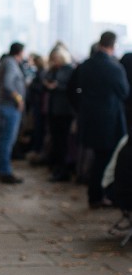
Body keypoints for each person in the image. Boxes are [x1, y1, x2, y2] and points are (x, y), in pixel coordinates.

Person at [75, 31, 129, 208]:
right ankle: (97, 195)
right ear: (113, 46)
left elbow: (73, 90)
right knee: (104, 160)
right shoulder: (114, 68)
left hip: (89, 118)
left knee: (98, 157)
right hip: (109, 120)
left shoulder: (85, 65)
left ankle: (95, 194)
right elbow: (124, 92)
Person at [0, 42, 26, 184]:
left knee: (3, 140)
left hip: (4, 106)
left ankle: (2, 170)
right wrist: (18, 98)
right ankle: (5, 172)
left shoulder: (6, 62)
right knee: (6, 140)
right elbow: (8, 84)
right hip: (9, 107)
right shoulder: (11, 64)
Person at [43, 44, 75, 182]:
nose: (54, 61)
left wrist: (57, 86)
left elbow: (71, 88)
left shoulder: (69, 70)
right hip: (54, 109)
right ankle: (57, 167)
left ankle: (63, 170)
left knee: (62, 142)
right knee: (56, 140)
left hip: (64, 111)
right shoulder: (54, 70)